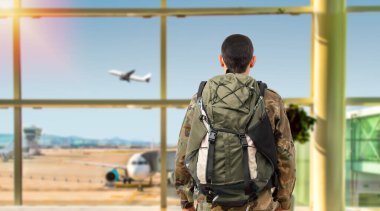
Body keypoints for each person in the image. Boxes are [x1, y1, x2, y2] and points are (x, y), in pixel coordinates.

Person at [174, 34, 295, 211]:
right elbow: (285, 155)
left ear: (221, 60)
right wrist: (283, 202)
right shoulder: (269, 100)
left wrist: (186, 201)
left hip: (209, 201)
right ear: (252, 61)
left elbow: (183, 151)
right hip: (258, 201)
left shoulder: (200, 99)